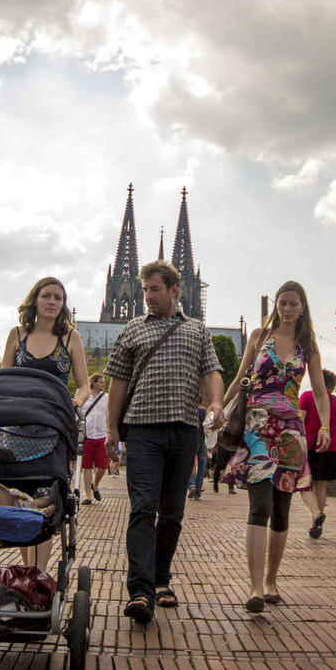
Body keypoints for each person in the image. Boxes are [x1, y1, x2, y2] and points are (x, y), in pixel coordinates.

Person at [105, 260, 224, 624]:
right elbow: (118, 383)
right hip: (142, 430)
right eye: (144, 290)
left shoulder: (198, 331)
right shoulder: (132, 329)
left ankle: (160, 579)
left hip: (185, 429)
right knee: (143, 508)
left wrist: (217, 402)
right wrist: (112, 429)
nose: (147, 297)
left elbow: (212, 372)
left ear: (175, 290)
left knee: (172, 513)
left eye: (154, 289)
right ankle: (140, 590)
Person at [223, 281, 330, 613]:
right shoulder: (259, 337)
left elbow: (321, 391)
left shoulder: (308, 345)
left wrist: (324, 425)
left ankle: (271, 580)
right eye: (282, 302)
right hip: (256, 427)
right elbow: (241, 378)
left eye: (293, 303)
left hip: (290, 431)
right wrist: (218, 409)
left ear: (302, 308)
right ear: (276, 306)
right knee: (260, 507)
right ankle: (255, 588)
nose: (286, 308)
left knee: (282, 510)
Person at [1, 276, 90, 571]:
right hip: (16, 429)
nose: (53, 302)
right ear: (35, 300)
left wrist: (75, 402)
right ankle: (29, 574)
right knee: (23, 503)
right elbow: (3, 379)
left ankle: (37, 576)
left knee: (46, 502)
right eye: (47, 296)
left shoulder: (71, 338)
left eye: (59, 298)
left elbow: (84, 385)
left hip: (52, 429)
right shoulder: (17, 334)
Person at [299, 369, 336, 538]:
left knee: (304, 482)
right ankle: (316, 523)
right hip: (333, 448)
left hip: (311, 445)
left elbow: (301, 420)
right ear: (332, 385)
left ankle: (315, 514)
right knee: (322, 486)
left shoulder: (306, 397)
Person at [81, 373, 109, 505]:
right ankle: (88, 496)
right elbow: (78, 415)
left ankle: (95, 485)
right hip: (87, 435)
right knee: (86, 467)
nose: (103, 384)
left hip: (101, 435)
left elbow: (109, 415)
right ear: (94, 383)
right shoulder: (84, 397)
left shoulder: (106, 398)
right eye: (101, 382)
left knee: (103, 465)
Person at [188, 404, 209, 501]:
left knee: (187, 465)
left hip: (192, 440)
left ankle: (192, 484)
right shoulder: (204, 412)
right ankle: (198, 493)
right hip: (202, 441)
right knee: (201, 469)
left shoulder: (189, 410)